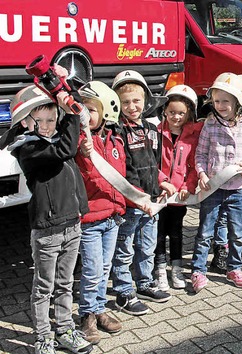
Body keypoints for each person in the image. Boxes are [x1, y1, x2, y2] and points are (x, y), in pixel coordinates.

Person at [0, 84, 93, 354]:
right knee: (44, 286)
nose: (45, 126)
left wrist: (71, 98)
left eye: (51, 119)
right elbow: (64, 149)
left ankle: (65, 330)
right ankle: (43, 337)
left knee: (65, 284)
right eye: (37, 120)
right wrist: (72, 114)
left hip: (71, 225)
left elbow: (71, 140)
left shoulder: (55, 139)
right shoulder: (28, 150)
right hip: (47, 230)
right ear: (25, 121)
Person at [191, 73, 242, 292]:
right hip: (212, 187)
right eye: (216, 101)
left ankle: (234, 267)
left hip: (237, 190)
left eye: (226, 101)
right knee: (205, 232)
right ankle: (198, 270)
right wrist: (202, 174)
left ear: (237, 103)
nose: (220, 105)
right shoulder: (209, 126)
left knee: (237, 232)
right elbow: (200, 155)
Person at [111, 70, 173, 316]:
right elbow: (124, 169)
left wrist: (163, 181)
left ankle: (145, 283)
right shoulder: (116, 130)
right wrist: (137, 196)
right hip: (131, 203)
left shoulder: (150, 128)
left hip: (153, 202)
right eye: (125, 102)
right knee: (125, 247)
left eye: (136, 100)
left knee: (147, 246)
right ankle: (124, 292)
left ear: (145, 100)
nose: (131, 106)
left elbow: (153, 163)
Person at [74, 81, 126, 344]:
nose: (84, 113)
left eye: (91, 109)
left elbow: (120, 177)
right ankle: (86, 315)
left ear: (107, 112)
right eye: (81, 107)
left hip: (112, 218)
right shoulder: (80, 142)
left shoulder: (114, 140)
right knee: (92, 270)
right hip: (90, 220)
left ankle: (99, 308)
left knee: (104, 268)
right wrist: (82, 151)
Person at [210, 75, 242, 274]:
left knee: (230, 219)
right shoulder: (217, 120)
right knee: (221, 218)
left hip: (239, 177)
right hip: (221, 178)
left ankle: (232, 254)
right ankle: (221, 254)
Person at [154, 85, 203, 290]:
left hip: (179, 197)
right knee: (158, 232)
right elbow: (151, 163)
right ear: (165, 110)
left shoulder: (192, 137)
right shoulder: (156, 133)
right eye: (172, 112)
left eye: (181, 113)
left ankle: (176, 268)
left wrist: (187, 185)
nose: (176, 117)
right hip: (159, 195)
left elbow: (192, 166)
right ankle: (159, 269)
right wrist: (162, 182)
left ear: (189, 113)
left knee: (176, 232)